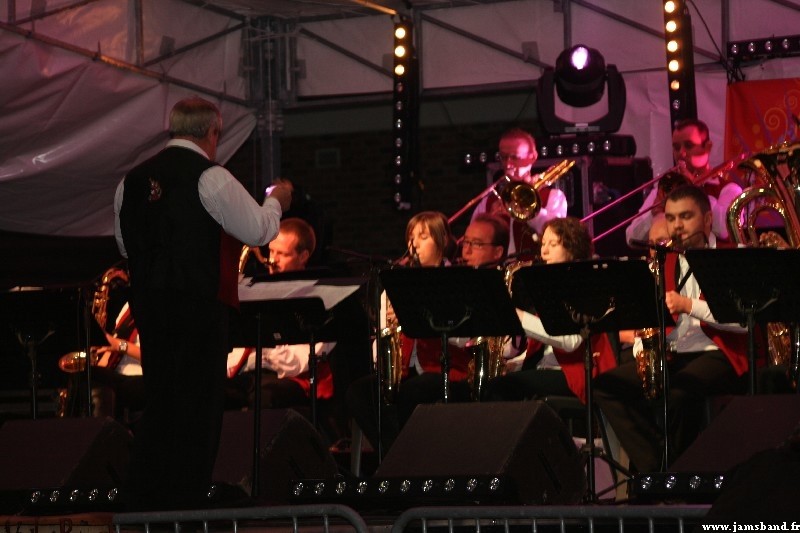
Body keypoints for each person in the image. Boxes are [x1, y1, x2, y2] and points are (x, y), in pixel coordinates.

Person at [114, 96, 291, 511]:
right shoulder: (211, 177)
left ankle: (145, 506)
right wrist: (277, 200)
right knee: (198, 411)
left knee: (161, 405)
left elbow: (125, 246)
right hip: (198, 308)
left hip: (151, 311)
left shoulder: (130, 182)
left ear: (173, 129)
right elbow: (259, 230)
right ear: (213, 132)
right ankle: (187, 506)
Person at [595, 185, 749, 474]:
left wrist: (689, 305)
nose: (677, 226)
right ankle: (658, 469)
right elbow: (651, 317)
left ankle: (676, 475)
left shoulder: (731, 255)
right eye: (671, 218)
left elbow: (743, 322)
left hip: (719, 352)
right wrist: (644, 350)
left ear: (707, 219)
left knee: (677, 393)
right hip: (675, 351)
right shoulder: (665, 260)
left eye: (685, 216)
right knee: (606, 386)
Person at [346, 211, 472, 454]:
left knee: (413, 392)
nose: (414, 244)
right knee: (359, 393)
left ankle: (409, 456)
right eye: (411, 238)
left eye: (423, 237)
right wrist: (387, 328)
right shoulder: (398, 282)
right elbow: (382, 338)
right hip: (404, 370)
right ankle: (394, 453)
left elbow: (464, 335)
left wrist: (414, 317)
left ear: (443, 241)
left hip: (446, 369)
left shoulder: (456, 279)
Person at [485, 217, 618, 404]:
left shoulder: (583, 285)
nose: (544, 251)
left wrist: (520, 317)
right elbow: (543, 348)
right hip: (546, 369)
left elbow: (570, 341)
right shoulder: (550, 286)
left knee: (501, 388)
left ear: (572, 248)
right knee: (493, 384)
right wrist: (516, 363)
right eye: (543, 243)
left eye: (553, 244)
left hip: (575, 373)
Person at [227, 217, 336, 409]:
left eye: (282, 254)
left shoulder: (317, 299)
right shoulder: (257, 290)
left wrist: (264, 343)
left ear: (303, 256)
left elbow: (300, 363)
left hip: (293, 380)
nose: (272, 260)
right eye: (271, 251)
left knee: (264, 397)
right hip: (249, 375)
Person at [625, 118, 743, 246]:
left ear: (707, 147)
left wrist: (694, 190)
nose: (681, 153)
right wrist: (653, 215)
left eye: (688, 145)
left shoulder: (730, 189)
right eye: (676, 147)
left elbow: (725, 229)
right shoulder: (666, 188)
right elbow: (631, 238)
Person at [470, 128, 568, 259]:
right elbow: (472, 241)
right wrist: (489, 219)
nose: (508, 164)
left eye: (514, 157)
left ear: (532, 157)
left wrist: (528, 210)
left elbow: (557, 236)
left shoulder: (554, 197)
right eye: (503, 157)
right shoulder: (488, 202)